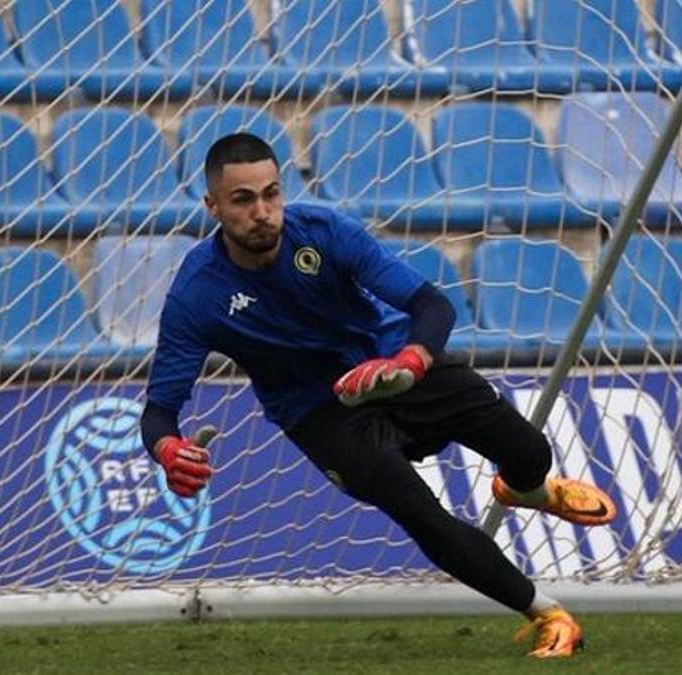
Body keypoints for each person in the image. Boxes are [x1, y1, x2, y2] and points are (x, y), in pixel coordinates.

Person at [139, 132, 617, 658]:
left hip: (392, 366)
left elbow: (432, 306)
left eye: (271, 194)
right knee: (419, 511)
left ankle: (528, 490)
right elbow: (160, 411)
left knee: (530, 452)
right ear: (212, 206)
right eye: (243, 199)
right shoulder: (195, 295)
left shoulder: (323, 231)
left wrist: (410, 361)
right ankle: (547, 613)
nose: (263, 211)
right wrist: (168, 450)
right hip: (320, 414)